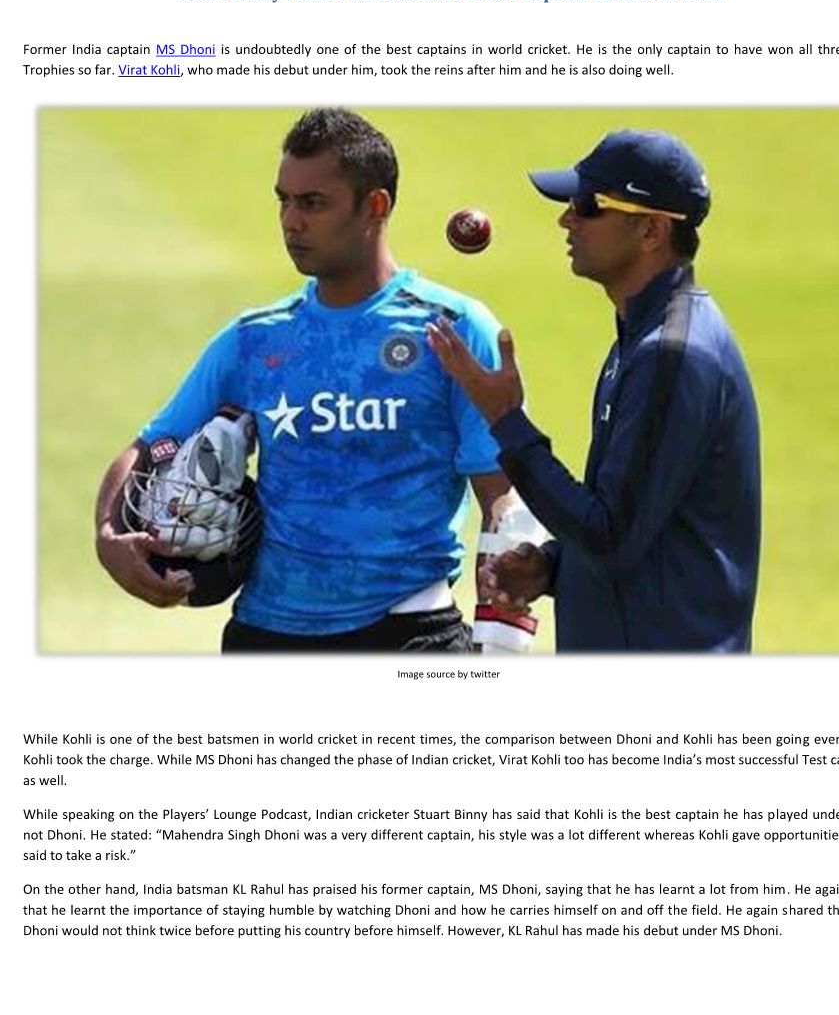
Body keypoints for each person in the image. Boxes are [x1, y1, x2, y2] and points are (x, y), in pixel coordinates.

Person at [95, 108, 513, 652]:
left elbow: (501, 496)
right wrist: (109, 536)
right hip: (266, 636)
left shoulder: (453, 329)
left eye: (313, 203)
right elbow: (152, 446)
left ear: (375, 206)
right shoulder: (253, 339)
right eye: (284, 201)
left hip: (410, 634)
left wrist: (503, 636)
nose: (291, 221)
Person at [428, 129, 761, 652]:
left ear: (651, 230)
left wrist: (506, 420)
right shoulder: (644, 337)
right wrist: (552, 567)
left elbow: (608, 535)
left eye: (587, 206)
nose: (567, 220)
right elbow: (633, 516)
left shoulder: (671, 354)